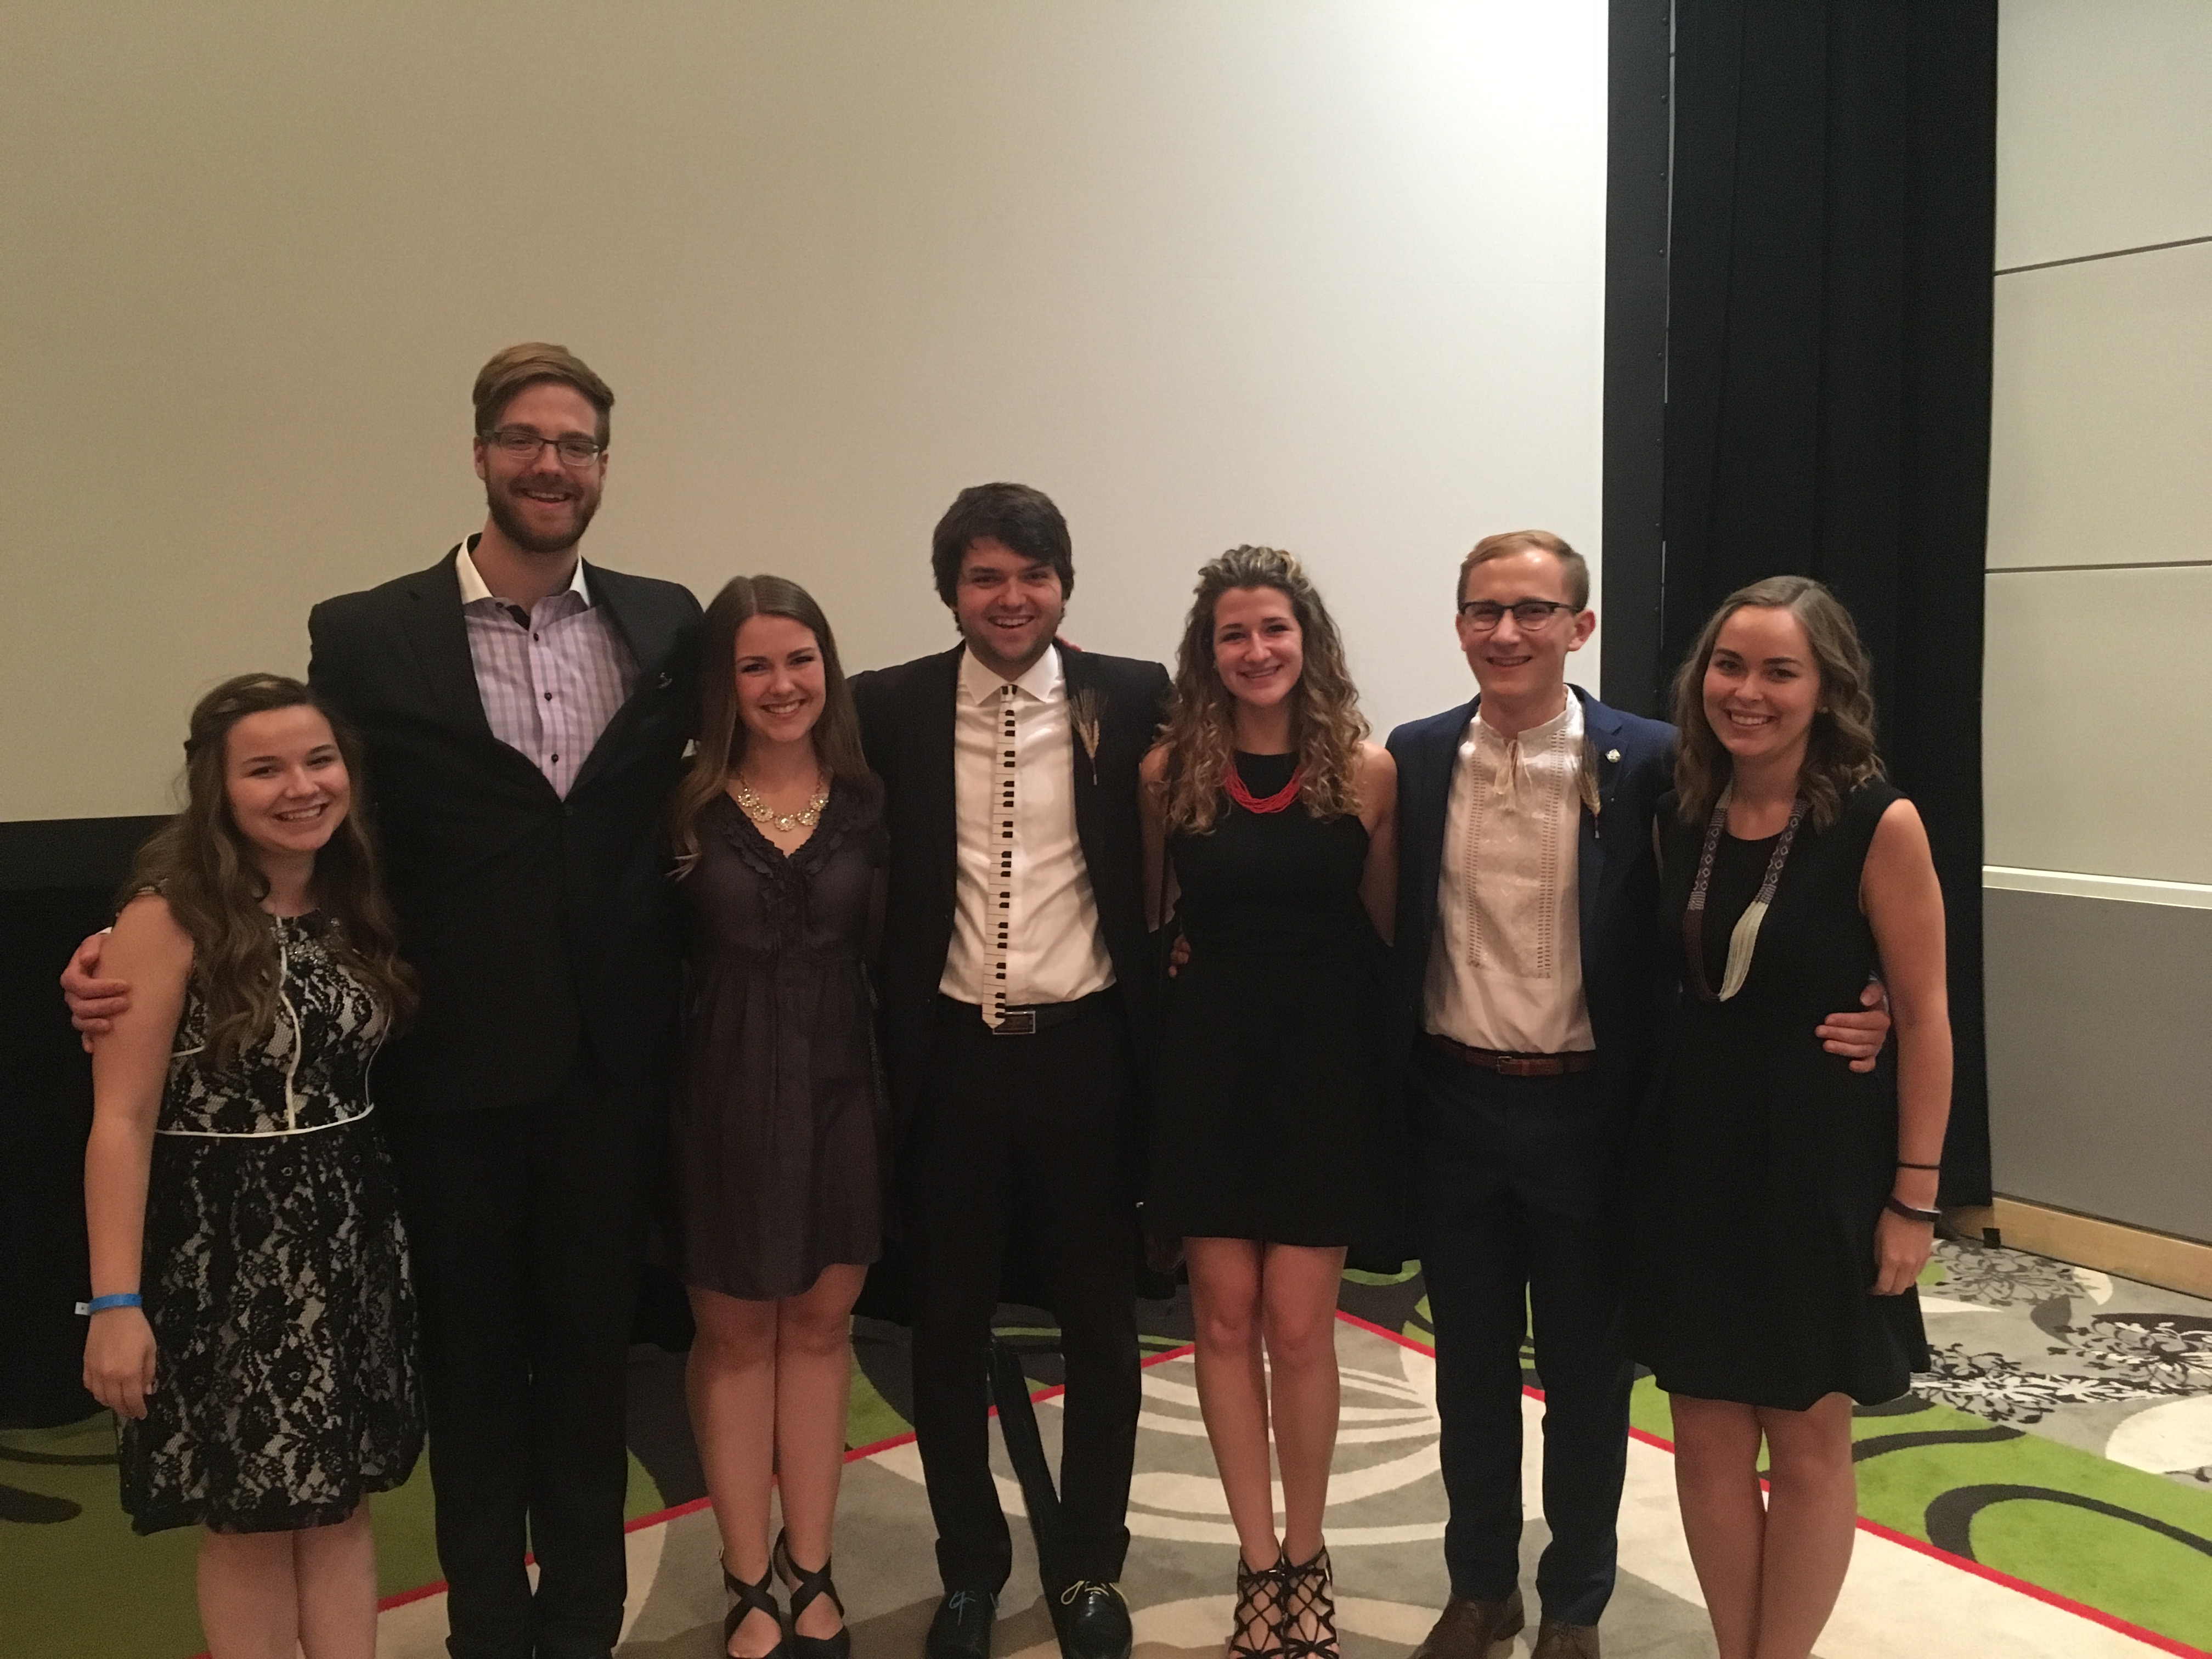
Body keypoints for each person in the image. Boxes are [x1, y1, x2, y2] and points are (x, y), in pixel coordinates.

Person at [66, 343, 702, 1659]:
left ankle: (581, 1631)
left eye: (576, 445)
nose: (550, 465)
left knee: (596, 1375)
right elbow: (298, 814)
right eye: (524, 439)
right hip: (444, 1076)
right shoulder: (367, 633)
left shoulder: (665, 620)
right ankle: (491, 1635)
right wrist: (131, 936)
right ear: (479, 454)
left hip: (611, 1074)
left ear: (603, 466)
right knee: (471, 1385)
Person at [1386, 533, 1891, 1659]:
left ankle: (1575, 1605)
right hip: (1453, 1108)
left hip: (1595, 1117)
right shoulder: (1413, 757)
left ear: (1581, 626)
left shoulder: (1660, 762)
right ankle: (1480, 1589)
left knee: (1588, 1376)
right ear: (1459, 624)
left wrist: (1882, 1001)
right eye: (1484, 610)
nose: (1506, 632)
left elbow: (1796, 885)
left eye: (1533, 609)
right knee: (1468, 1372)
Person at [850, 483, 1170, 1659]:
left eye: (1033, 575)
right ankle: (971, 1570)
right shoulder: (888, 704)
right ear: (951, 592)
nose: (1012, 598)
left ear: (1064, 585)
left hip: (1086, 1055)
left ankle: (1089, 1564)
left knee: (1101, 1329)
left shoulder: (1130, 694)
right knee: (944, 1332)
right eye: (986, 577)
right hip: (949, 1062)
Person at [1630, 576, 1948, 1659]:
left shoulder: (1877, 822)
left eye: (1780, 671)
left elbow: (1927, 1018)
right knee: (1706, 1429)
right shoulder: (1680, 812)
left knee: (1807, 1434)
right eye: (1729, 666)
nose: (1748, 691)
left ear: (1827, 689)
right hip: (1693, 1154)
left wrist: (1915, 1200)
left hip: (1818, 1163)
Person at [81, 674, 421, 1659]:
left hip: (347, 1234)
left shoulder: (350, 897)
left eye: (319, 761)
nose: (301, 787)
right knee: (250, 1519)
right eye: (265, 769)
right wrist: (114, 1304)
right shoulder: (169, 917)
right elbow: (120, 1120)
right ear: (217, 790)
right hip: (228, 1247)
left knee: (339, 1503)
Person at [1137, 546, 1399, 1659]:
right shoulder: (1169, 775)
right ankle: (1256, 1563)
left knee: (1298, 1327)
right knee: (1223, 1319)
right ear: (1208, 653)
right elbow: (1153, 923)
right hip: (1208, 1067)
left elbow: (1386, 930)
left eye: (1274, 630)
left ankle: (1308, 1552)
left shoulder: (1367, 772)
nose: (1256, 651)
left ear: (1309, 641)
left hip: (1323, 1072)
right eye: (1234, 634)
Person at [663, 575, 889, 1659]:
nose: (783, 683)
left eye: (800, 659)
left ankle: (813, 1563)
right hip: (721, 1094)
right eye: (755, 665)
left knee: (822, 1327)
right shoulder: (679, 809)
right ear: (724, 682)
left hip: (845, 1086)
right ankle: (747, 1574)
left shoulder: (873, 804)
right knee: (736, 1335)